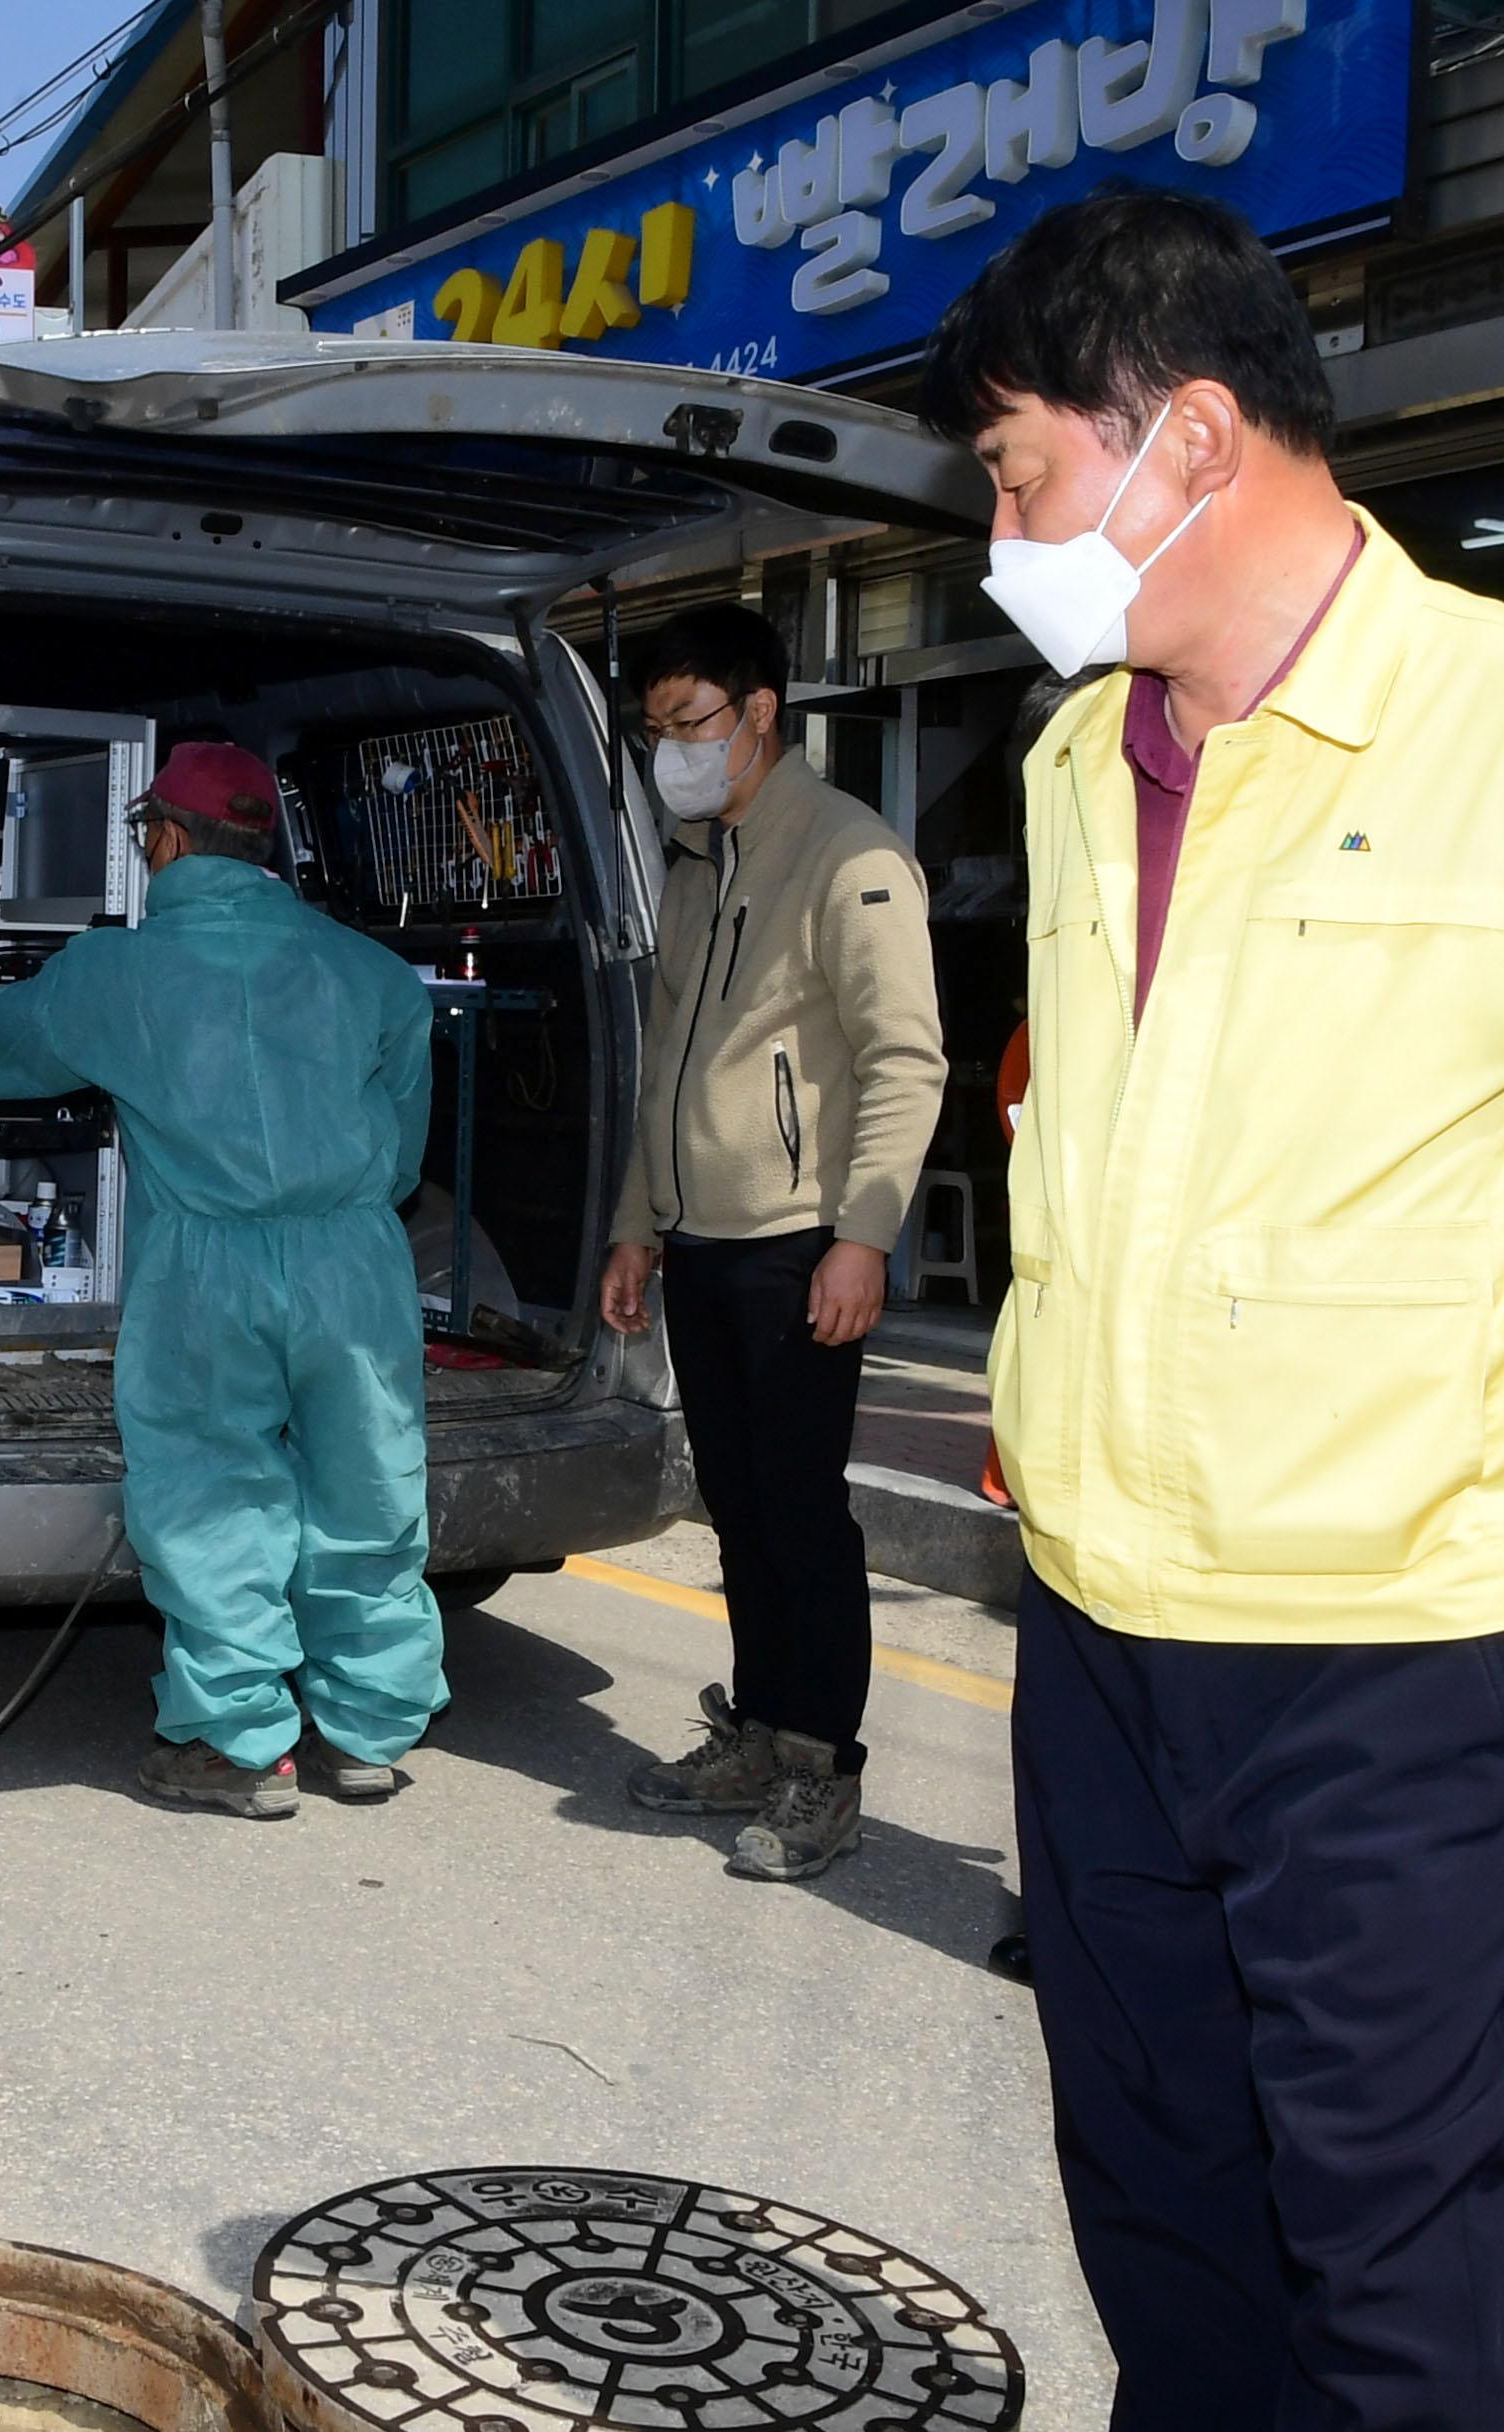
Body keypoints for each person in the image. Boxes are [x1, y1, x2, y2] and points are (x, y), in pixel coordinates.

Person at [920, 189, 1504, 2428]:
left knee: (1391, 2258)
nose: (998, 537)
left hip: (1404, 1653)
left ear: (1195, 439)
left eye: (1020, 471)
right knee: (1160, 2209)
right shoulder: (1074, 766)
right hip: (1100, 1632)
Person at [0, 740, 449, 1819]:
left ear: (164, 839)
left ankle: (240, 1742)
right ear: (264, 846)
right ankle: (367, 1728)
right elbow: (400, 1150)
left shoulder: (119, 973)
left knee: (211, 1491)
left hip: (207, 1265)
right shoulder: (372, 973)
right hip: (353, 1258)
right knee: (368, 1484)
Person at [599, 605, 943, 1885]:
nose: (672, 752)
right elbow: (667, 1069)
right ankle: (754, 1727)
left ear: (759, 715)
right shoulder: (703, 856)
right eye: (656, 731)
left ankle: (821, 1767)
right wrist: (639, 1220)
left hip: (801, 1242)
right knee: (737, 1502)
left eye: (690, 724)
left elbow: (907, 1061)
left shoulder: (850, 859)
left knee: (801, 1510)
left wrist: (865, 1236)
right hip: (704, 1235)